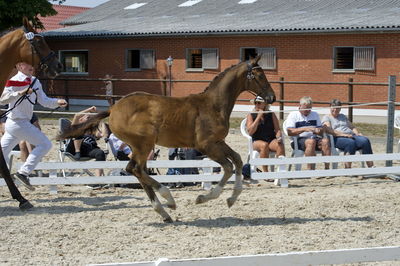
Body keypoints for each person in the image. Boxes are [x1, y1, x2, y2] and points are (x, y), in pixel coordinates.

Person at [0, 62, 67, 190]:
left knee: (2, 152)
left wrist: (57, 102)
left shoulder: (35, 81)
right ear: (19, 66)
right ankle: (23, 172)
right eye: (27, 64)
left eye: (32, 64)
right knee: (45, 144)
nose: (32, 67)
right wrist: (19, 93)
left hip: (17, 124)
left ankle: (22, 173)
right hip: (18, 122)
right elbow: (2, 100)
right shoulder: (12, 81)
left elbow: (44, 100)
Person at [322, 99, 374, 168]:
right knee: (350, 142)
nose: (335, 110)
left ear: (340, 109)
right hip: (337, 138)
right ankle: (348, 167)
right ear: (330, 107)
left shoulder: (342, 116)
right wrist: (344, 135)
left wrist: (357, 133)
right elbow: (329, 130)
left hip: (350, 135)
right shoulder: (327, 117)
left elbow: (352, 127)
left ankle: (371, 166)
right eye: (333, 107)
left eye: (337, 108)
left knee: (365, 140)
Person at [285, 96, 330, 170]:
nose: (308, 111)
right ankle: (310, 170)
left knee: (325, 141)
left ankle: (327, 169)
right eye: (306, 108)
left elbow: (321, 130)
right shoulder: (293, 115)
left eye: (310, 108)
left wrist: (319, 130)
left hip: (314, 138)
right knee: (311, 142)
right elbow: (290, 132)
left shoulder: (314, 114)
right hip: (298, 140)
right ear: (300, 106)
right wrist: (305, 129)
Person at [246, 95, 285, 172]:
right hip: (256, 141)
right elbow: (250, 132)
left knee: (280, 144)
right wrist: (258, 117)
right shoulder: (251, 115)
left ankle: (281, 169)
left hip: (270, 139)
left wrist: (279, 137)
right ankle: (266, 172)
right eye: (255, 103)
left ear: (265, 104)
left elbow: (277, 129)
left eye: (259, 103)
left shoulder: (271, 114)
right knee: (264, 145)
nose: (257, 104)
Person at [66, 106, 106, 177]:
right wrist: (89, 109)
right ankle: (77, 151)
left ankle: (97, 180)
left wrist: (102, 121)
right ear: (81, 119)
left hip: (88, 150)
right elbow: (77, 115)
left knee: (100, 153)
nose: (89, 118)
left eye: (90, 118)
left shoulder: (93, 131)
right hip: (74, 150)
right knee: (78, 132)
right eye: (87, 117)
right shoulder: (75, 126)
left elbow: (103, 134)